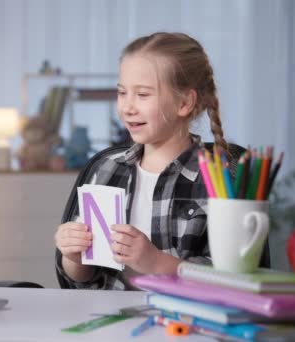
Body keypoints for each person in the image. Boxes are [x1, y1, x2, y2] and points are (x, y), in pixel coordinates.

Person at [54, 32, 230, 290]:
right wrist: (73, 255)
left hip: (182, 323)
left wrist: (156, 262)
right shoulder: (107, 169)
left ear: (184, 102)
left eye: (143, 95)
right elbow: (81, 278)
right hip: (109, 320)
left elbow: (228, 278)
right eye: (122, 93)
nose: (127, 107)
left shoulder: (218, 179)